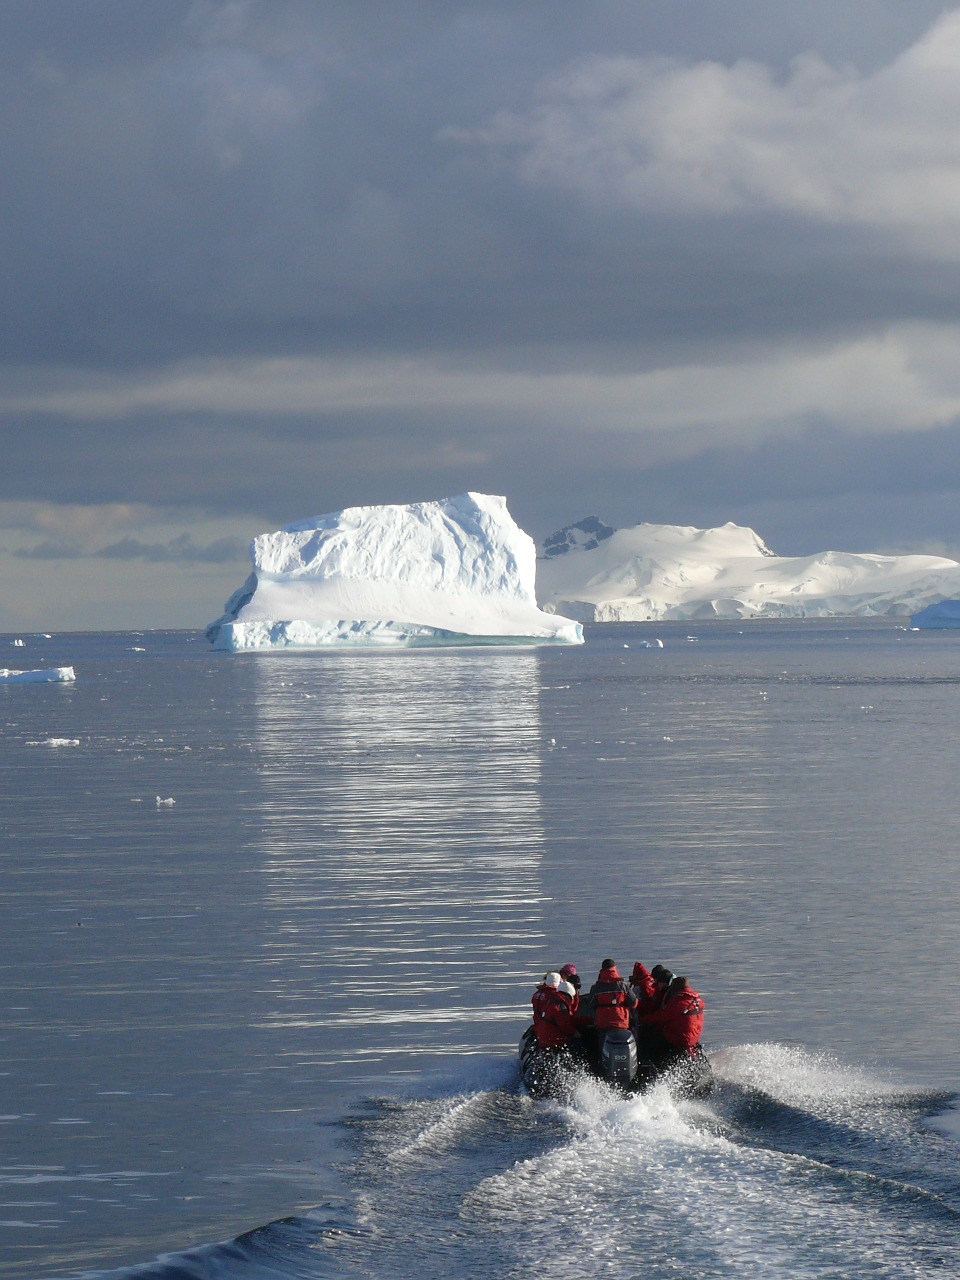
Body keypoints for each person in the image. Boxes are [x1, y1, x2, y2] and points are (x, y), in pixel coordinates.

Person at [635, 975, 705, 1064]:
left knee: (651, 1038)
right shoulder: (698, 1001)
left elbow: (661, 1016)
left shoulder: (678, 1001)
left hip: (680, 1038)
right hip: (693, 1038)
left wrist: (642, 1020)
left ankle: (648, 1063)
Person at [587, 959, 637, 1041]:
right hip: (621, 1023)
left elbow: (591, 1004)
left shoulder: (596, 988)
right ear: (614, 969)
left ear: (602, 970)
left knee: (604, 1046)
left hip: (603, 1023)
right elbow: (633, 1002)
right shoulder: (623, 986)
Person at [531, 971, 578, 1050]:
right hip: (551, 1034)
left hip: (539, 1026)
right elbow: (563, 1023)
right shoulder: (554, 998)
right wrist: (575, 1033)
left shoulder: (537, 994)